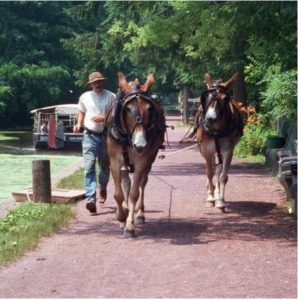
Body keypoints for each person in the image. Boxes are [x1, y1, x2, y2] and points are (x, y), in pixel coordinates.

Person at [73, 71, 115, 213]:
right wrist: (78, 124)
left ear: (103, 82)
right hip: (89, 136)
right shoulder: (84, 97)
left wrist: (104, 118)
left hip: (105, 136)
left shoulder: (111, 96)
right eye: (94, 83)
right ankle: (91, 198)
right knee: (89, 166)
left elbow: (115, 117)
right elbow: (82, 112)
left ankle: (103, 188)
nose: (97, 84)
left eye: (99, 82)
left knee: (104, 168)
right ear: (90, 84)